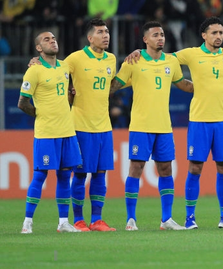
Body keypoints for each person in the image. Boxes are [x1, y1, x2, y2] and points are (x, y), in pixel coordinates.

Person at [125, 17, 223, 229]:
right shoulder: (190, 53)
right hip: (199, 120)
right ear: (204, 35)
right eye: (214, 33)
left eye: (220, 33)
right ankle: (189, 218)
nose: (218, 36)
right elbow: (161, 56)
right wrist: (138, 51)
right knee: (195, 167)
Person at [109, 21, 193, 231]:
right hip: (140, 125)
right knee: (136, 168)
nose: (160, 38)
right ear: (145, 39)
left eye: (162, 34)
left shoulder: (172, 61)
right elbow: (114, 85)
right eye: (155, 35)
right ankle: (131, 219)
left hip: (164, 126)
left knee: (166, 170)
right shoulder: (133, 61)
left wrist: (209, 87)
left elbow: (182, 83)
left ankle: (166, 219)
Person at [19, 31, 82, 233]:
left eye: (54, 38)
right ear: (38, 48)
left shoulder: (64, 66)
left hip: (67, 131)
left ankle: (63, 222)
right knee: (40, 176)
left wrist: (70, 97)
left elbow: (65, 98)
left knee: (65, 177)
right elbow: (22, 102)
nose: (52, 41)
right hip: (46, 133)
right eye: (47, 39)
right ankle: (27, 222)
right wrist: (41, 115)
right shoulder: (34, 70)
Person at [65, 19, 118, 232]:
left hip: (104, 127)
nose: (106, 35)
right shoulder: (76, 58)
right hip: (80, 126)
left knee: (100, 173)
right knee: (79, 174)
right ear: (90, 38)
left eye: (106, 32)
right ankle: (78, 220)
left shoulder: (112, 59)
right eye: (100, 32)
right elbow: (55, 72)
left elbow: (111, 85)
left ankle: (97, 220)